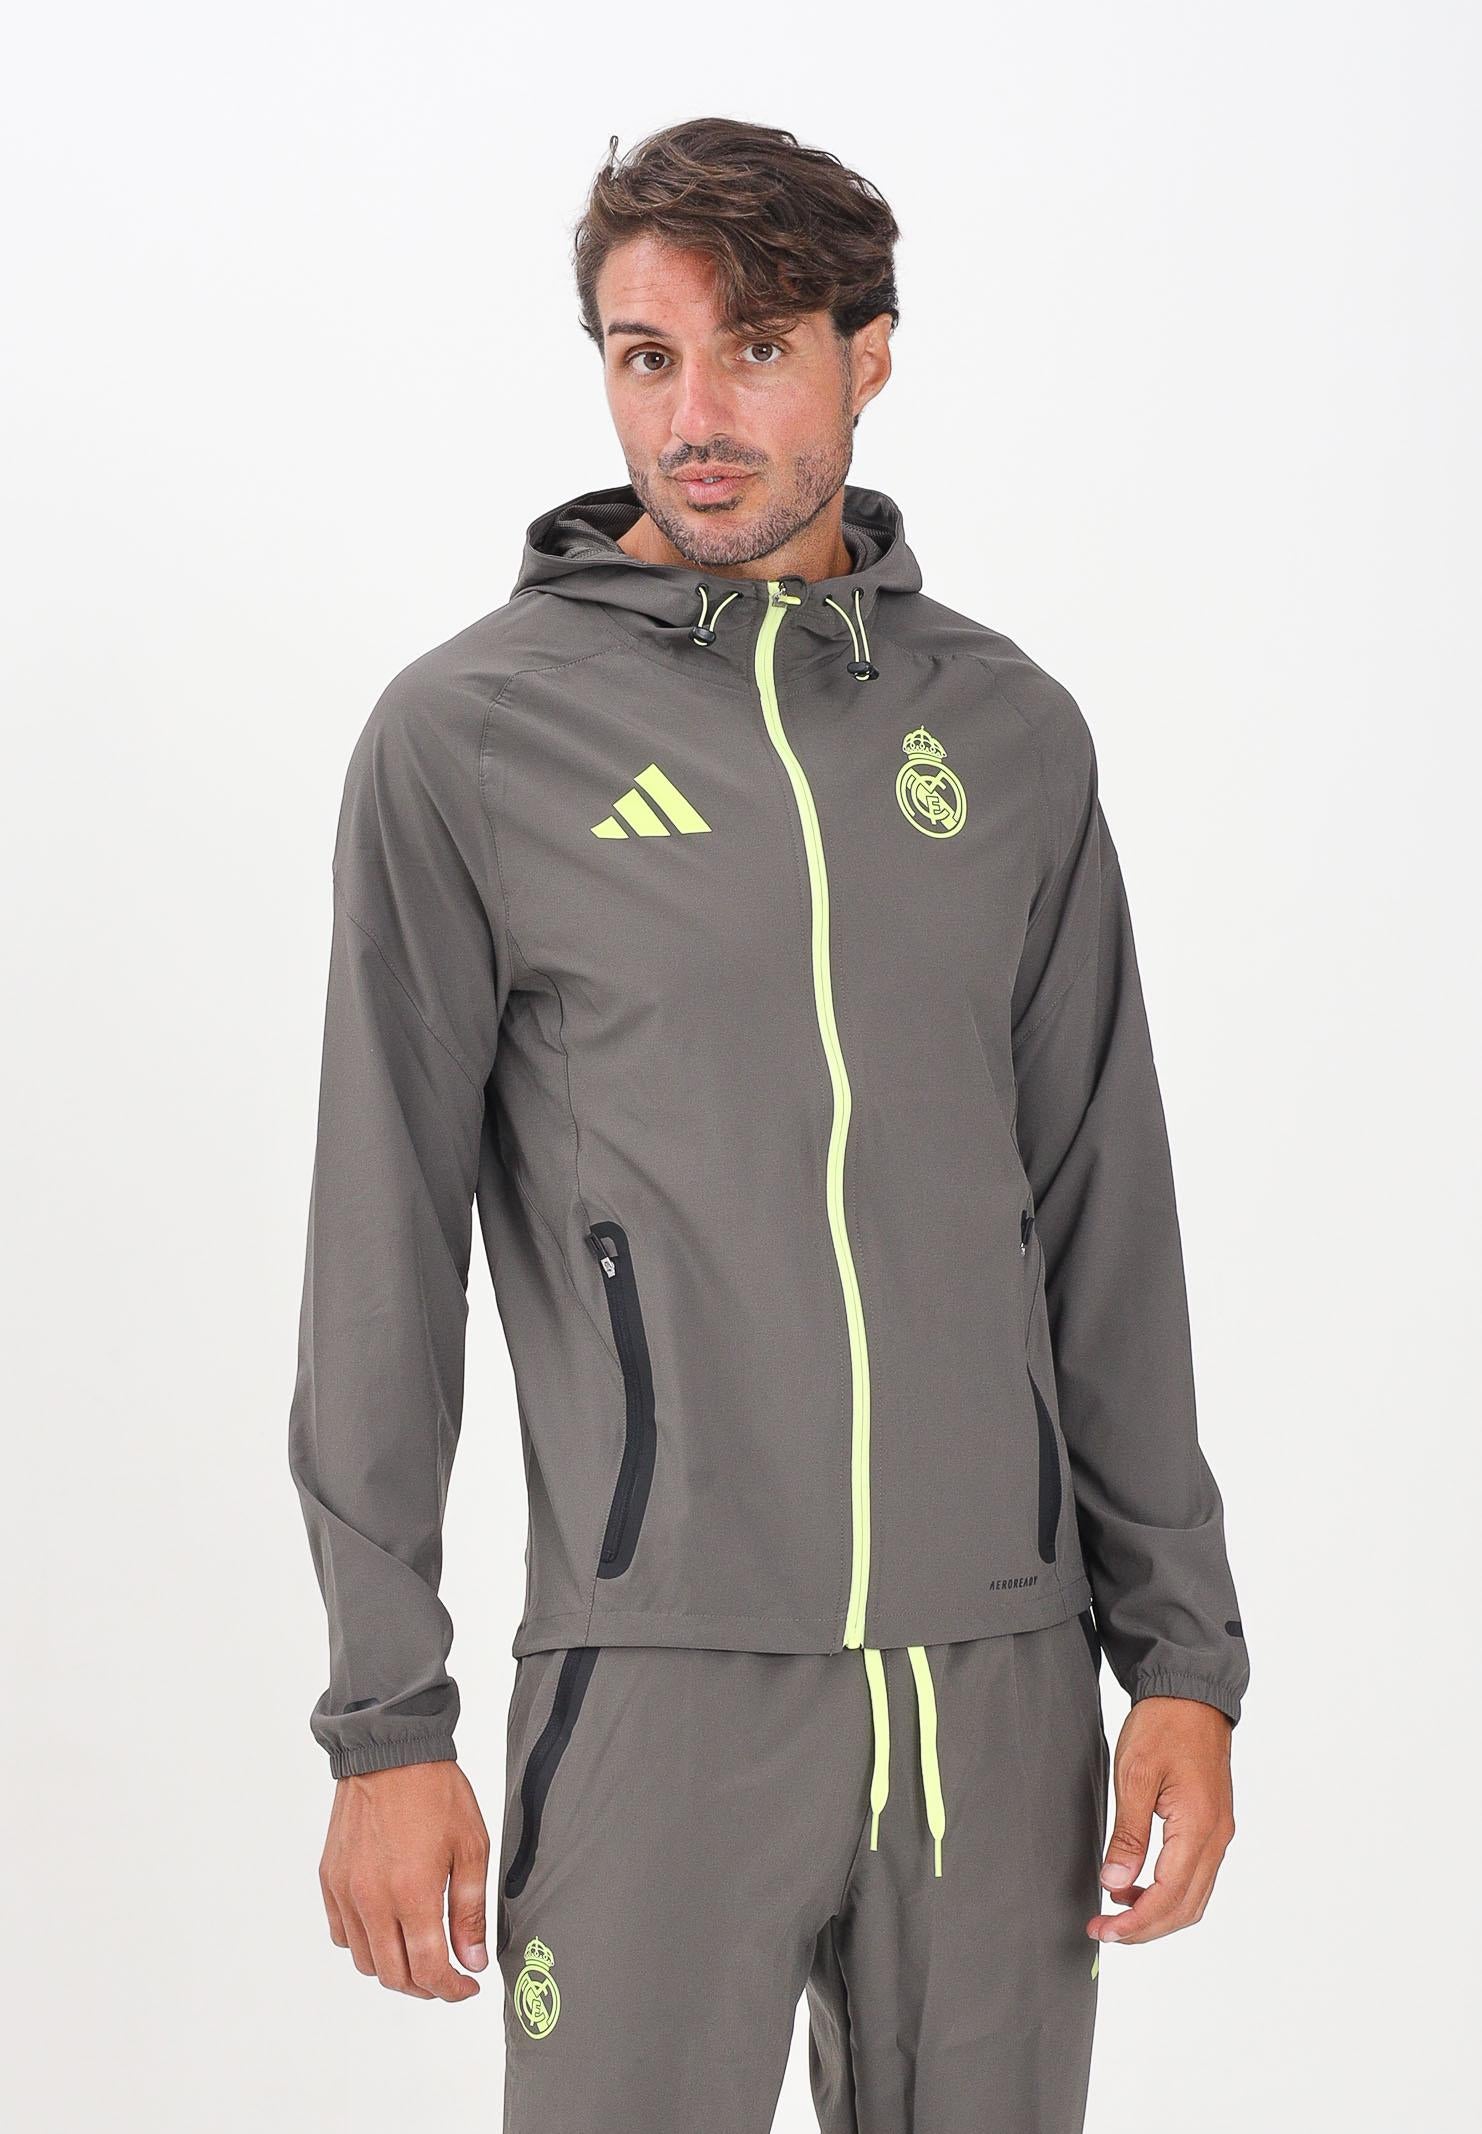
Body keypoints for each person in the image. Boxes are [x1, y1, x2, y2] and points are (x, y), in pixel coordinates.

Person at [289, 115, 1249, 2133]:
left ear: (867, 353)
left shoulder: (1007, 733)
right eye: (646, 357)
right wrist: (386, 1719)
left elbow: (1104, 1208)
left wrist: (1181, 1656)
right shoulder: (473, 739)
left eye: (754, 350)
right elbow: (381, 1251)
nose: (695, 417)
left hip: (1001, 1684)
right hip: (660, 1677)